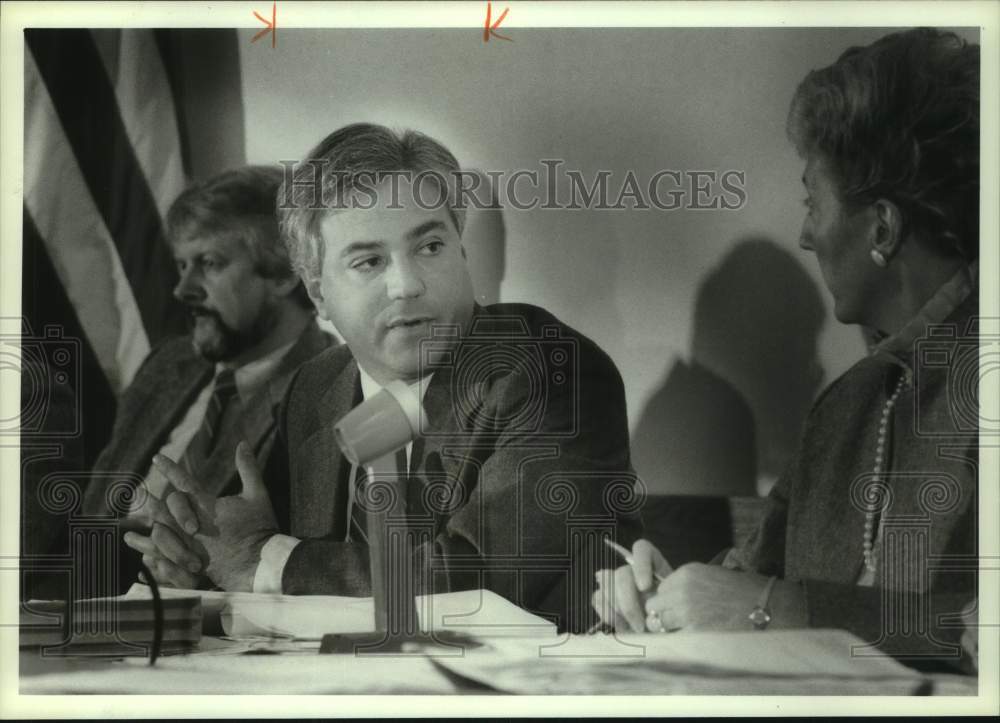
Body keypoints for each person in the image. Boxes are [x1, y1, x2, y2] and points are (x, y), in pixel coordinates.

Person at [139, 124, 642, 632]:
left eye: (429, 248)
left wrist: (264, 560)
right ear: (318, 295)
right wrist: (201, 565)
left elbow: (473, 584)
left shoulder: (551, 369)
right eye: (369, 261)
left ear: (462, 253)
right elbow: (269, 562)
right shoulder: (317, 388)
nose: (407, 285)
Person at [593, 27, 980, 671]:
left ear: (881, 226)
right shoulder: (842, 408)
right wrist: (664, 593)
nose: (805, 234)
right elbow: (748, 578)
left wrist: (774, 607)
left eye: (812, 201)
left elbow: (978, 630)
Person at [80, 166, 335, 594]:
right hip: (78, 591)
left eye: (209, 264)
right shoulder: (169, 363)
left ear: (284, 274)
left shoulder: (329, 389)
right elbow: (89, 517)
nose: (182, 289)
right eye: (182, 265)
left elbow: (290, 566)